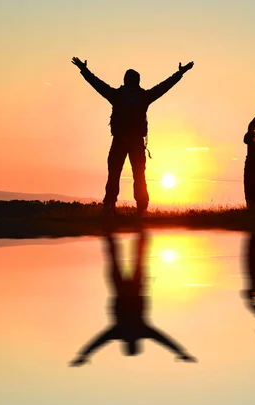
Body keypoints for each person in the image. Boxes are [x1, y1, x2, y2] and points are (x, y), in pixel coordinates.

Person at [71, 57, 194, 215]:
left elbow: (97, 84)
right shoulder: (143, 97)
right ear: (137, 82)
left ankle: (110, 206)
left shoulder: (117, 96)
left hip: (121, 141)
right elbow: (164, 87)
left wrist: (84, 70)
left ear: (126, 81)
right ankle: (141, 208)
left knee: (115, 173)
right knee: (138, 175)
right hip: (135, 142)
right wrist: (179, 73)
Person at [69, 232, 197, 366]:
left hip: (132, 291)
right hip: (123, 291)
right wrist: (83, 355)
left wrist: (181, 353)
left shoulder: (139, 331)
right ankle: (113, 231)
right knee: (119, 260)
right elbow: (98, 342)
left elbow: (164, 340)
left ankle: (134, 228)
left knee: (138, 260)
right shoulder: (120, 333)